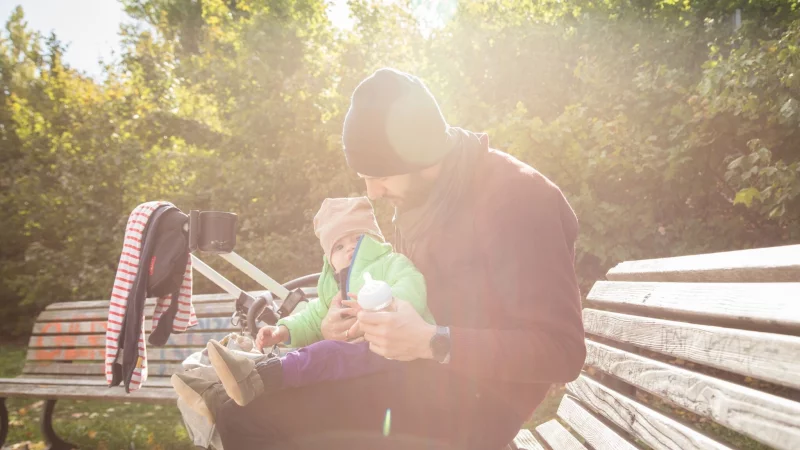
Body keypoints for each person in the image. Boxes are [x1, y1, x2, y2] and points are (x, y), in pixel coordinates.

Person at [214, 68, 587, 450]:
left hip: (480, 403)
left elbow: (562, 352)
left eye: (380, 175)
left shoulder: (517, 198)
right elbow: (408, 297)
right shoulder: (418, 200)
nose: (373, 192)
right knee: (237, 404)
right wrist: (351, 322)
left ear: (421, 152)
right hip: (414, 374)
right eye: (364, 176)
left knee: (250, 420)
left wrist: (432, 342)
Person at [171, 196, 434, 422]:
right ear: (329, 259)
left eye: (358, 238)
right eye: (339, 246)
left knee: (325, 353)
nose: (350, 247)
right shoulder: (332, 286)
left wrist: (384, 303)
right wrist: (283, 330)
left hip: (395, 359)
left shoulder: (390, 263)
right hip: (358, 366)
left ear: (376, 239)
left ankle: (252, 378)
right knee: (312, 358)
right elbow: (312, 316)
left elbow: (413, 288)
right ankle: (218, 390)